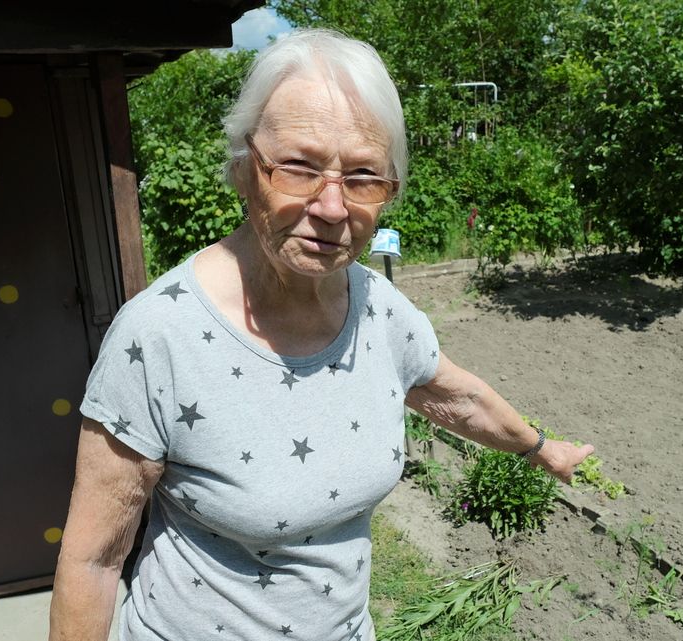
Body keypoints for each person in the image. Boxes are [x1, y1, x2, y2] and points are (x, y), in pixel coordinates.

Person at [48, 28, 594, 641]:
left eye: (363, 176)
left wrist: (542, 449)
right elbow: (93, 562)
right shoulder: (159, 335)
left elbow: (455, 395)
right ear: (244, 168)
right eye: (299, 168)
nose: (333, 208)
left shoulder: (379, 308)